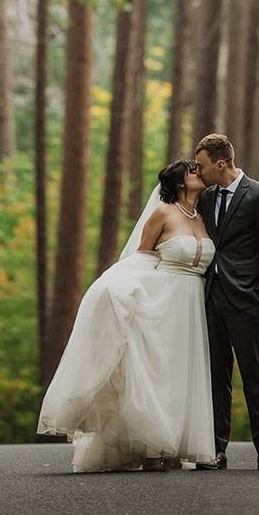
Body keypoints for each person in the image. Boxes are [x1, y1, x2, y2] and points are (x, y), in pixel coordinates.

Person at [36, 159, 216, 472]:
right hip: (162, 299)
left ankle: (174, 444)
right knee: (156, 371)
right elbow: (142, 257)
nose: (198, 173)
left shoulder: (203, 218)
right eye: (191, 171)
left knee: (180, 374)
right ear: (178, 182)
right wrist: (117, 287)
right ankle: (151, 446)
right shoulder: (162, 213)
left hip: (192, 305)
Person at [193, 133, 259, 471]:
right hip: (212, 296)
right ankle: (217, 449)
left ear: (221, 163)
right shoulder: (206, 197)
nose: (199, 173)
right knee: (217, 376)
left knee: (254, 374)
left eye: (202, 166)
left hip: (246, 299)